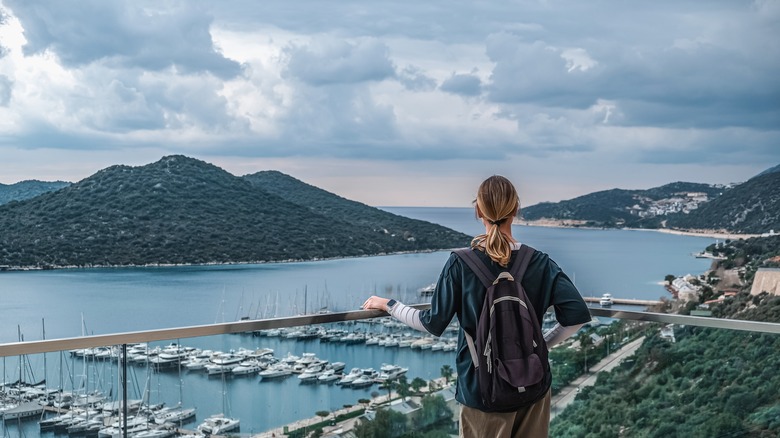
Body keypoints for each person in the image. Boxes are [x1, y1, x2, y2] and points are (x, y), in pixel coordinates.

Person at [362, 175, 591, 437]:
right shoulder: (538, 261)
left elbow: (432, 323)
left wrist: (389, 305)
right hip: (534, 386)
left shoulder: (461, 263)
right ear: (516, 210)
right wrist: (539, 345)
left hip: (482, 392)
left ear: (478, 210)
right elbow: (577, 316)